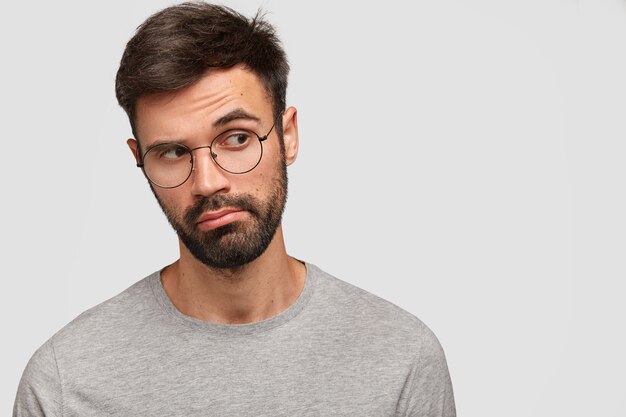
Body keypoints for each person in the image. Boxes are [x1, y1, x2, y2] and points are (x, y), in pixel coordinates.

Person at [13, 2, 455, 416]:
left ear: (288, 135)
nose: (207, 182)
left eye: (237, 138)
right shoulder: (64, 384)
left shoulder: (402, 360)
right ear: (140, 160)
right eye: (171, 152)